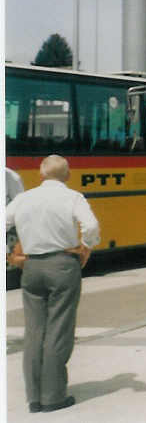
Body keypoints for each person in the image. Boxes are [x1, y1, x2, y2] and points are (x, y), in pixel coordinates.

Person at [5, 155, 100, 413]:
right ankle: (54, 397)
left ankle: (34, 398)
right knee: (59, 329)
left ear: (41, 175)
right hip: (62, 265)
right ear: (67, 176)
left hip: (31, 268)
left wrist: (9, 254)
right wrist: (87, 247)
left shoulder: (23, 198)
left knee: (34, 331)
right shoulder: (73, 197)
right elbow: (90, 226)